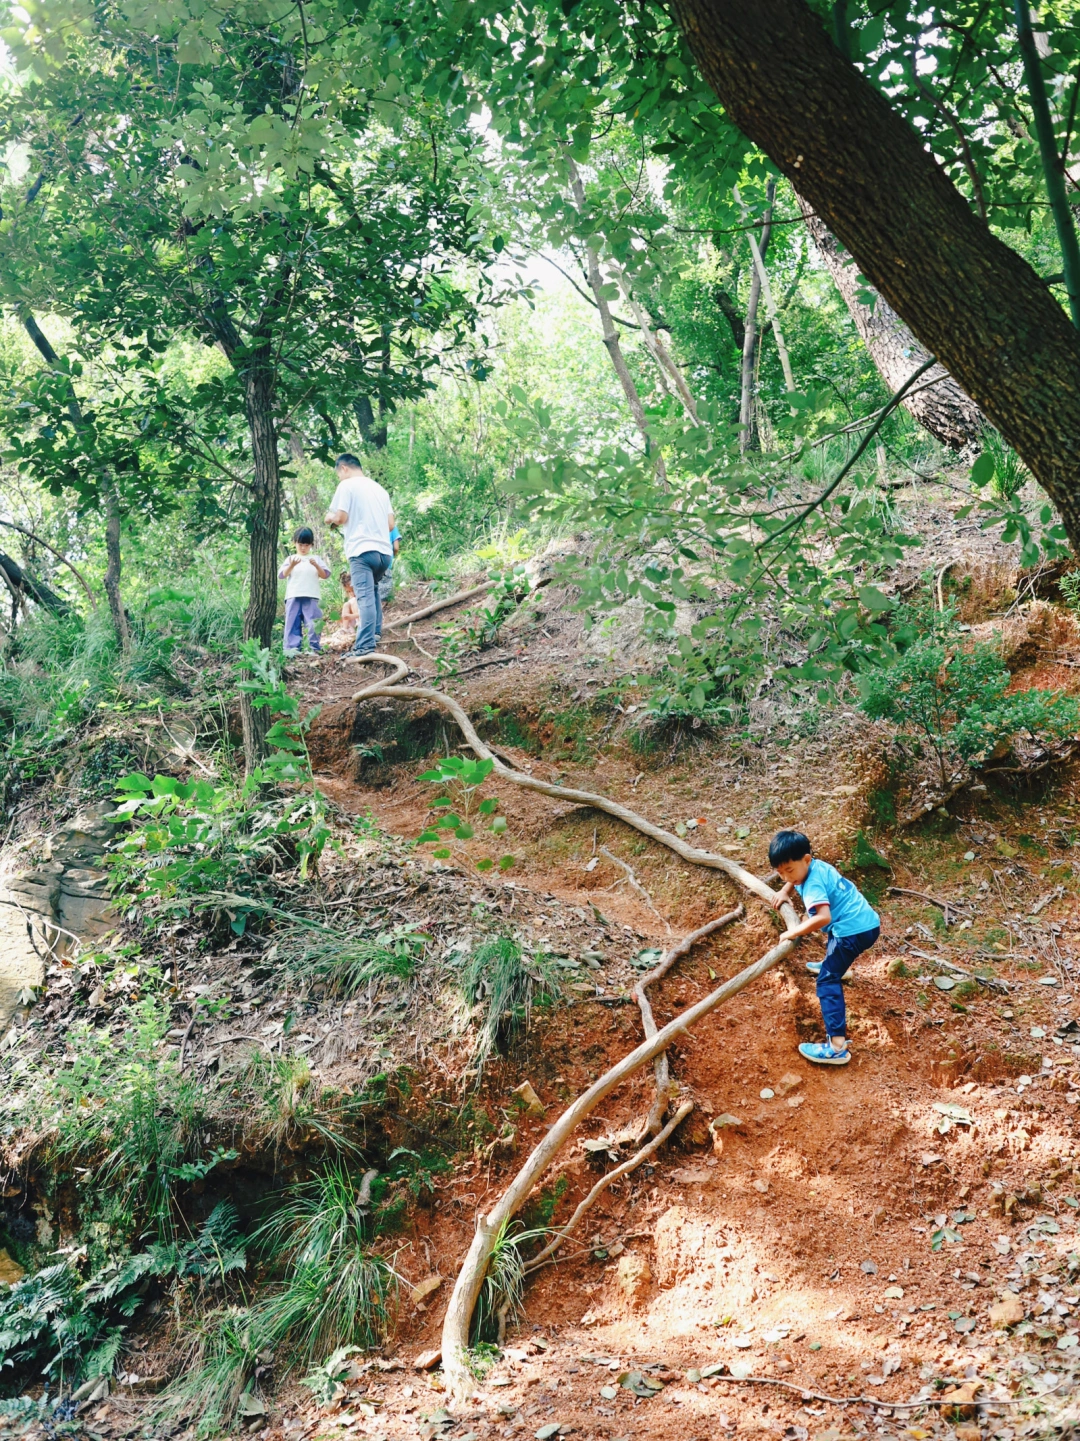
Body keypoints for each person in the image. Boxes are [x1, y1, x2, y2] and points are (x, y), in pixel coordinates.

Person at [765, 830, 880, 1067]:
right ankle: (837, 965)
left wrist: (793, 932)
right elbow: (795, 881)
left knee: (827, 981)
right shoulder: (815, 867)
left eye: (790, 871)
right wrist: (784, 891)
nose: (787, 876)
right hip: (867, 922)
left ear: (806, 859)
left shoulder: (813, 883)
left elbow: (823, 918)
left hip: (852, 931)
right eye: (780, 873)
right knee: (835, 948)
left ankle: (837, 1047)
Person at [324, 454, 395, 656]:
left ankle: (364, 646)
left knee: (363, 597)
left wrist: (329, 517)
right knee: (372, 591)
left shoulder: (347, 486)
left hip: (362, 551)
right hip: (384, 553)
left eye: (339, 474)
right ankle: (375, 634)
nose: (340, 479)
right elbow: (390, 524)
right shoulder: (380, 490)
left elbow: (340, 517)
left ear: (344, 468)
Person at [278, 527, 330, 656]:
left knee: (313, 623)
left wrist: (316, 566)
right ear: (295, 543)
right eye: (300, 544)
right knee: (292, 622)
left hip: (312, 595)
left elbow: (324, 575)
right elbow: (282, 575)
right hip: (293, 595)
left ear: (311, 545)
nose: (303, 548)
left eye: (306, 545)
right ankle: (291, 650)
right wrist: (291, 565)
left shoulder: (316, 558)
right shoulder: (291, 559)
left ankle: (314, 647)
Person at [375, 523, 402, 645]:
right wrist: (391, 557)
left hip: (372, 561)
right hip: (386, 562)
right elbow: (396, 547)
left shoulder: (373, 523)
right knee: (385, 592)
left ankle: (376, 623)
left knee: (374, 590)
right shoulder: (392, 527)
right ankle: (385, 614)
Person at [324, 570, 360, 652]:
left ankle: (354, 626)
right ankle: (345, 628)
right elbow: (346, 615)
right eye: (349, 591)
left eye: (353, 590)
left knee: (354, 601)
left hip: (359, 618)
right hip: (353, 620)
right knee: (346, 605)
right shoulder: (350, 601)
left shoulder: (360, 598)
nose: (352, 593)